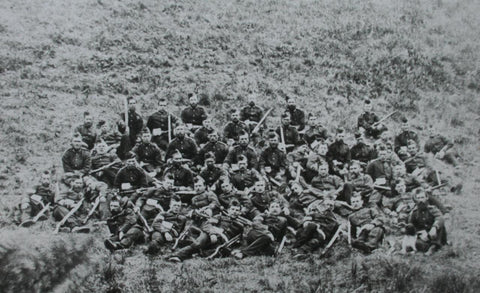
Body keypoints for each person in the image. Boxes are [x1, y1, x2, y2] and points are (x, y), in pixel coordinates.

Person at [407, 188, 447, 254]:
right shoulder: (414, 212)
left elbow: (440, 217)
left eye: (422, 197)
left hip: (435, 234)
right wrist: (419, 233)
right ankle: (428, 247)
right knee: (416, 243)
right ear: (416, 199)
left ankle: (434, 246)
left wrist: (434, 227)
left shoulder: (432, 209)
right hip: (423, 235)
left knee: (441, 225)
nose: (421, 200)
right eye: (418, 198)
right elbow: (411, 225)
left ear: (426, 198)